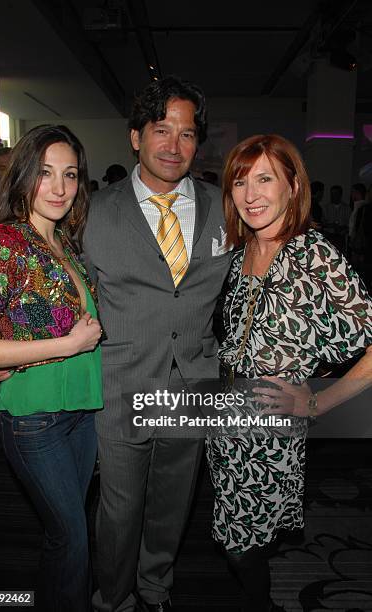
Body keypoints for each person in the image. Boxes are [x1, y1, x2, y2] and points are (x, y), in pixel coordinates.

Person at [206, 134, 372, 612]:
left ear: (293, 186)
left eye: (265, 179)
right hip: (226, 422)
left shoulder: (313, 255)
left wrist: (318, 401)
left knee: (241, 548)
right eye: (240, 182)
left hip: (268, 434)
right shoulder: (242, 256)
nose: (251, 194)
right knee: (236, 538)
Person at [84, 76, 232, 611]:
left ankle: (156, 586)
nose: (174, 145)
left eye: (187, 134)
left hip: (192, 384)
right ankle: (114, 597)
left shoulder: (226, 209)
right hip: (122, 385)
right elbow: (69, 297)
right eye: (161, 130)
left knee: (173, 504)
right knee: (119, 510)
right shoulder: (94, 211)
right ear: (135, 137)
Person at [0, 124, 103, 612]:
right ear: (24, 176)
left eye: (70, 175)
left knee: (63, 537)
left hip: (81, 412)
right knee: (72, 536)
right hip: (35, 418)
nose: (60, 188)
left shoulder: (64, 242)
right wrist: (65, 344)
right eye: (46, 174)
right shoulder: (5, 241)